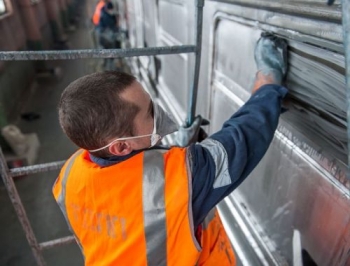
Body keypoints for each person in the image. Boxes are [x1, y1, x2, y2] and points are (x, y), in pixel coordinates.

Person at [53, 33, 288, 265]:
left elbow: (131, 201)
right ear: (121, 146)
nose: (159, 113)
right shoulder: (179, 181)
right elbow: (244, 138)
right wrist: (268, 85)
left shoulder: (69, 176)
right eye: (149, 113)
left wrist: (174, 153)